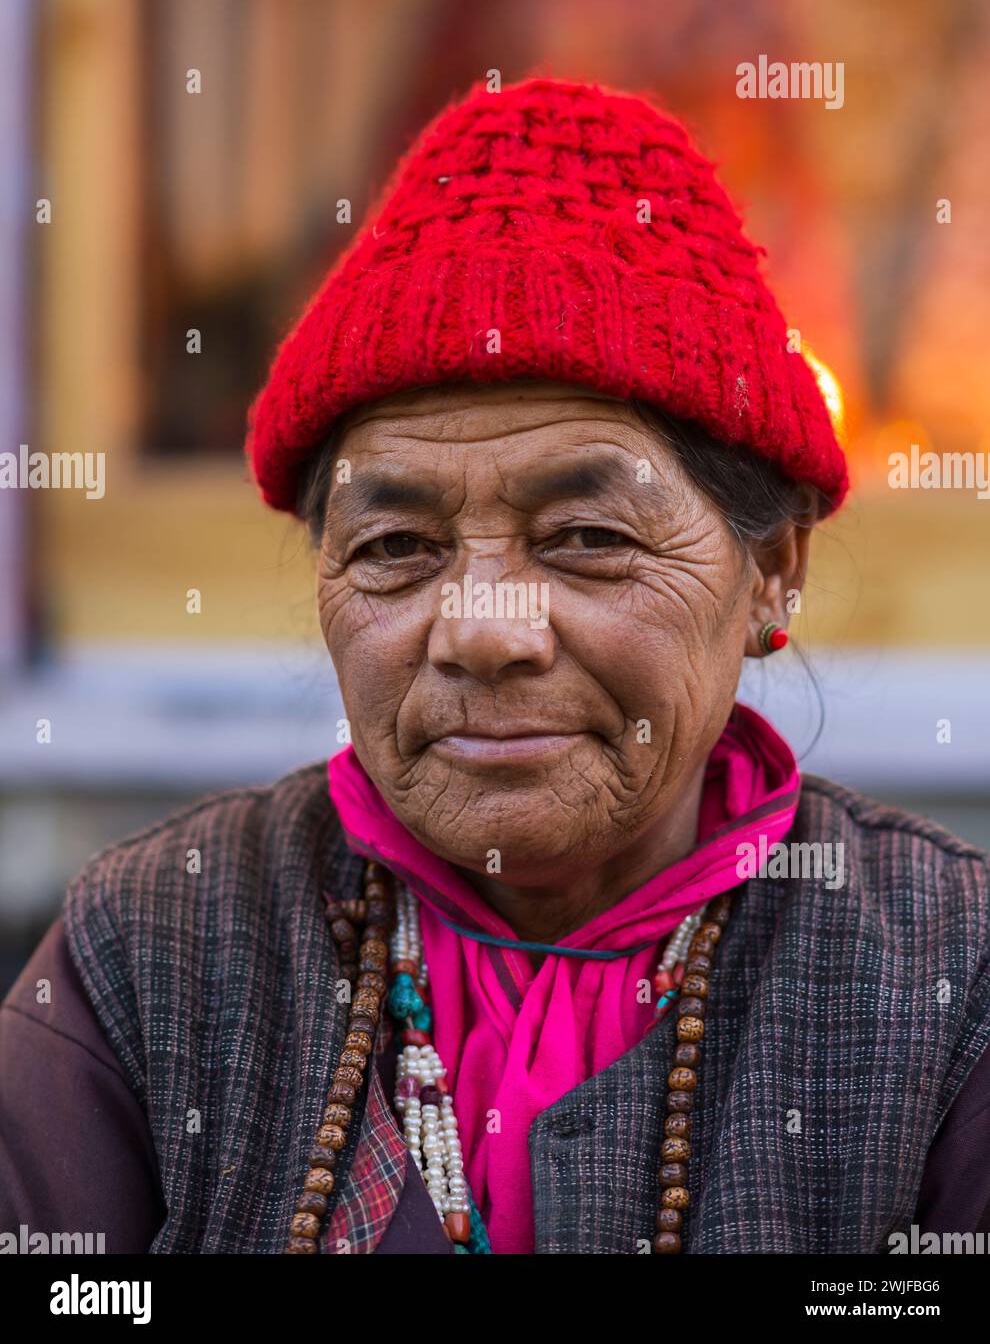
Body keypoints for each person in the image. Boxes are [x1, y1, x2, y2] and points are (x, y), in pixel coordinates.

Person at [2, 76, 989, 1255]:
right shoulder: (148, 952)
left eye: (586, 538)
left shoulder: (949, 981)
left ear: (772, 569)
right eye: (396, 547)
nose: (480, 628)